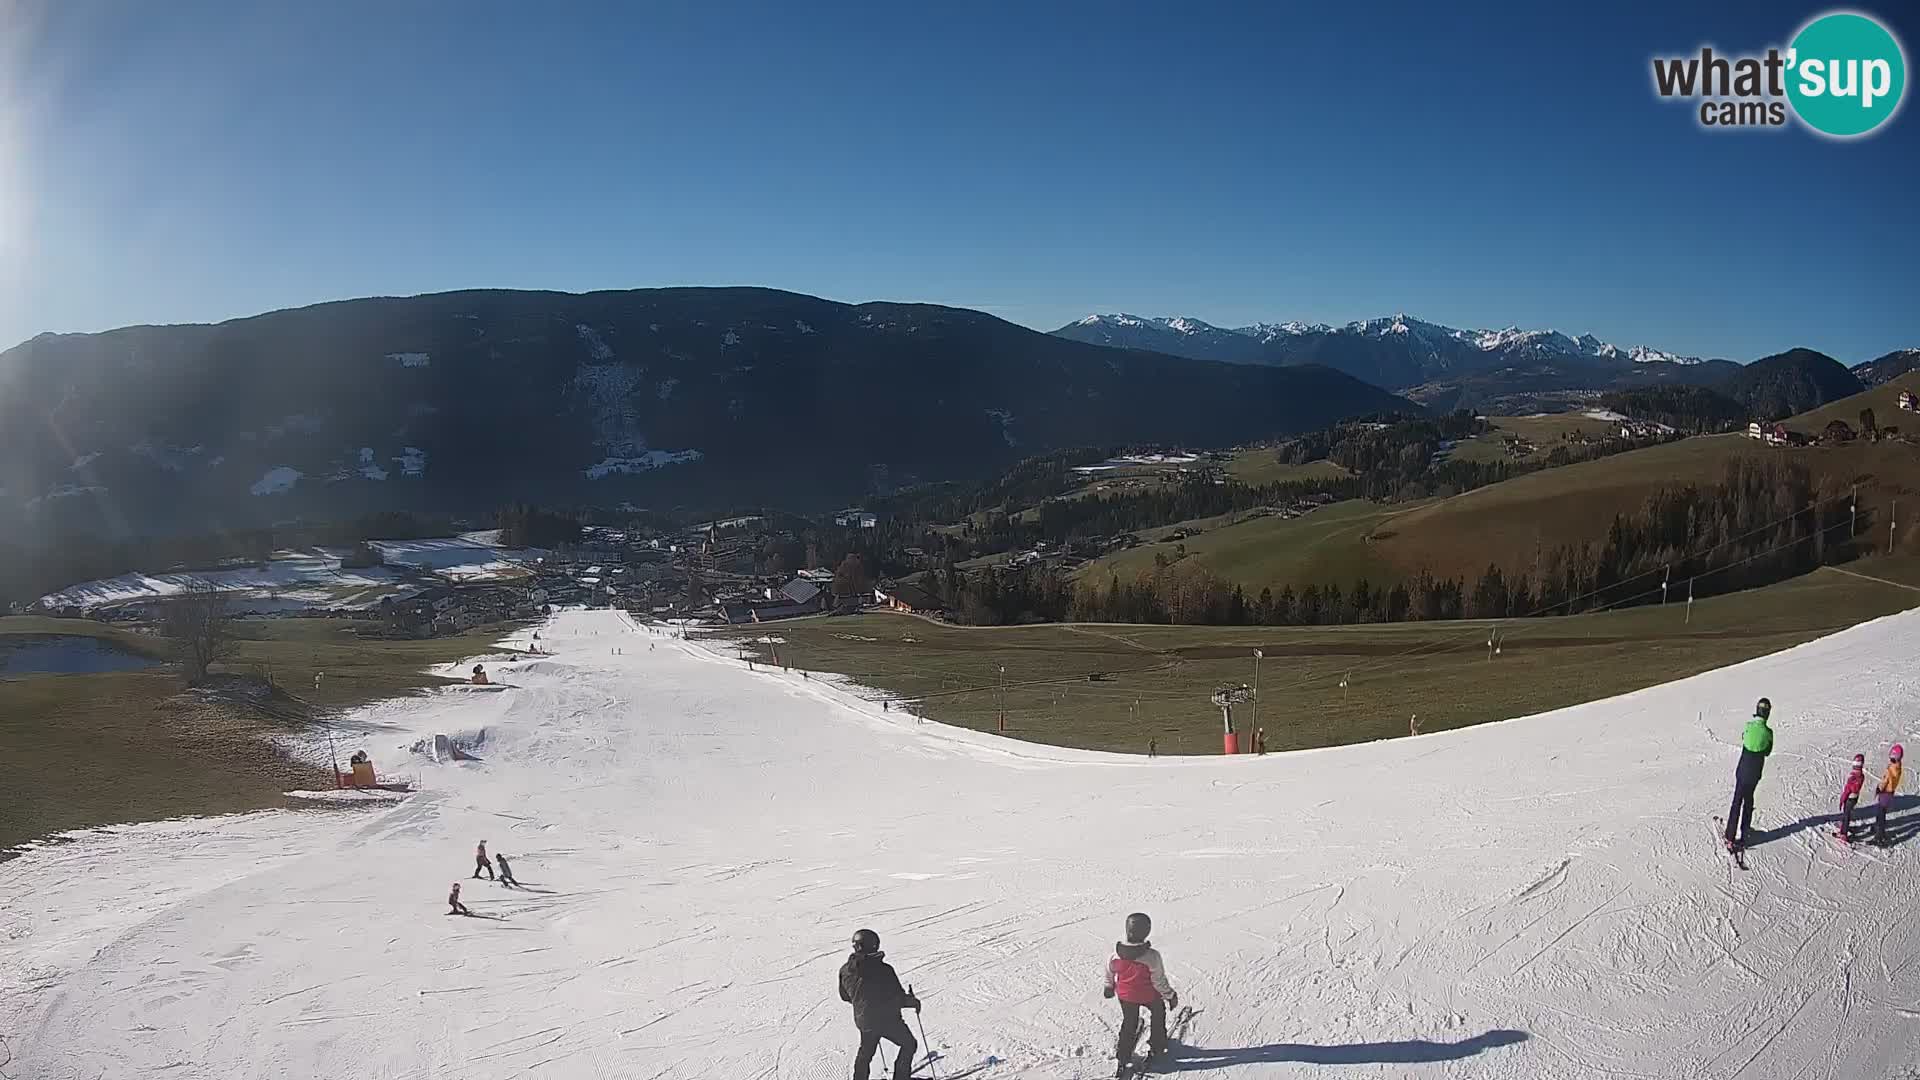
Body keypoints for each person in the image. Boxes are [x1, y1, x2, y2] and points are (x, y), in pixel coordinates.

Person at [838, 929, 920, 1080]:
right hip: (887, 1020)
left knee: (866, 1052)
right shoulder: (884, 970)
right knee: (909, 1044)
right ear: (874, 946)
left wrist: (862, 1002)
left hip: (864, 1020)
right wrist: (913, 1002)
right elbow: (898, 997)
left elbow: (845, 996)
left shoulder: (845, 970)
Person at [1104, 912, 1177, 1076]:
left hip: (1126, 996)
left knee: (1129, 1021)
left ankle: (1123, 1055)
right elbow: (1159, 981)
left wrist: (1109, 986)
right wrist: (1170, 995)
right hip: (1148, 995)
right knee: (1158, 1012)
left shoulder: (1115, 955)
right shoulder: (1152, 956)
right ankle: (1157, 1045)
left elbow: (1109, 971)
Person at [1724, 697, 1773, 850]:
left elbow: (1744, 739)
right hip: (1755, 771)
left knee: (1737, 801)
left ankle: (1730, 836)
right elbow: (1767, 752)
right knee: (1748, 801)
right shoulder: (1768, 733)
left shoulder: (1749, 726)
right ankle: (1745, 834)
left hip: (1743, 768)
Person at [1873, 743, 1904, 845]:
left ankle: (1879, 835)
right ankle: (1878, 830)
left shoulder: (1890, 770)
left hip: (1885, 793)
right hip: (1890, 794)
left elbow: (1885, 781)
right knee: (1882, 812)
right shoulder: (1898, 768)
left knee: (1880, 814)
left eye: (1891, 758)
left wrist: (1879, 788)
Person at [1838, 753, 1867, 842]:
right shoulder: (1861, 775)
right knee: (1847, 813)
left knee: (1846, 814)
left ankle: (1843, 833)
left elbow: (1848, 789)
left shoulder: (1854, 776)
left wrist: (1842, 799)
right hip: (1854, 798)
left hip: (1850, 798)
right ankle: (1844, 826)